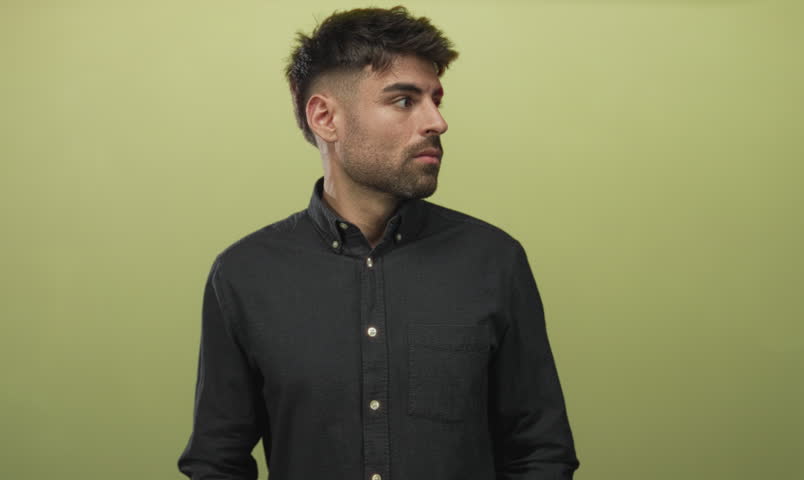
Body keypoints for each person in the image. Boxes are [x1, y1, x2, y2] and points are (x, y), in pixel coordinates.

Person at [177, 6, 579, 480]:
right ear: (326, 117)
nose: (437, 122)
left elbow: (541, 454)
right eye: (405, 101)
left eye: (436, 99)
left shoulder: (495, 262)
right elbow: (216, 463)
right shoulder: (244, 275)